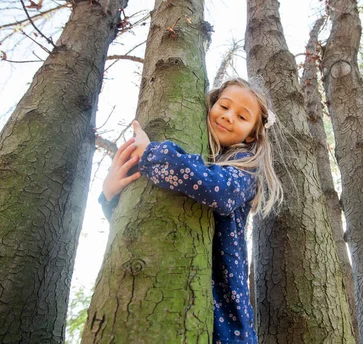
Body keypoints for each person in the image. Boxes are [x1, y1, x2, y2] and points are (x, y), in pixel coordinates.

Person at [98, 78, 283, 343]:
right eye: (224, 106)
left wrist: (153, 153)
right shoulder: (200, 155)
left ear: (251, 134)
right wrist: (109, 195)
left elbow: (219, 190)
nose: (229, 117)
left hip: (226, 315)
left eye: (242, 116)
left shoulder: (245, 166)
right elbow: (138, 223)